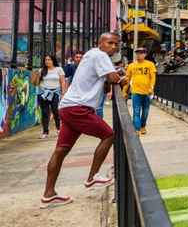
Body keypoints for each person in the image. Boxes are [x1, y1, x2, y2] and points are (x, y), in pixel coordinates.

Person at [41, 33, 127, 208]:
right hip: (78, 108)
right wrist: (122, 80)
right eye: (110, 43)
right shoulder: (100, 55)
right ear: (100, 43)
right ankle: (92, 178)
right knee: (109, 135)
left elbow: (102, 82)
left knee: (61, 150)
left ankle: (48, 195)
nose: (113, 47)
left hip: (67, 107)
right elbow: (113, 79)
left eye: (116, 44)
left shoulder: (91, 55)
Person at [123, 48, 156, 136]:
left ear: (145, 54)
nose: (139, 55)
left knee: (145, 112)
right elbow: (127, 78)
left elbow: (153, 77)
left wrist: (151, 88)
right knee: (136, 112)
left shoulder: (150, 64)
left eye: (141, 53)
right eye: (137, 53)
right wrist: (124, 91)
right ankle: (136, 129)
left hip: (147, 92)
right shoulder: (132, 66)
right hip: (135, 91)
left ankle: (143, 126)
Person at [34, 56, 67, 139]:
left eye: (49, 60)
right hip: (43, 93)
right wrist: (37, 77)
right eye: (45, 60)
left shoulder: (59, 69)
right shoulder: (42, 71)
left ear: (53, 61)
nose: (47, 61)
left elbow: (63, 82)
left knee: (55, 110)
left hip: (55, 92)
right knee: (45, 112)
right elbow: (36, 84)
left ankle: (58, 127)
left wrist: (63, 93)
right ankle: (45, 131)